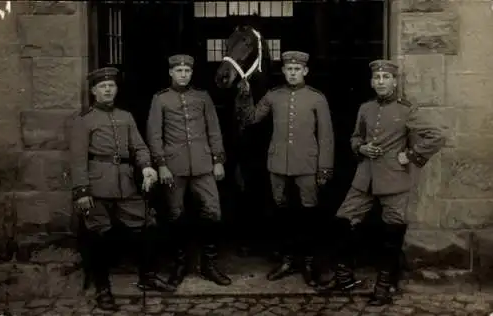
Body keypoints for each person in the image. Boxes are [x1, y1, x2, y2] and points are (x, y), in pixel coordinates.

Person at [318, 60, 446, 305]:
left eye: (386, 77)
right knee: (343, 221)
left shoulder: (406, 110)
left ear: (395, 81)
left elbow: (437, 136)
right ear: (371, 82)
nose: (381, 82)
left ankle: (384, 287)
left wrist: (409, 155)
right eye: (377, 78)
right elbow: (355, 137)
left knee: (392, 233)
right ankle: (344, 276)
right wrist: (362, 147)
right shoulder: (365, 109)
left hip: (394, 179)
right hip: (364, 178)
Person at [70, 67, 175, 311]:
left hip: (126, 185)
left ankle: (147, 276)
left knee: (148, 224)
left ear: (116, 89)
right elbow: (77, 159)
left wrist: (147, 167)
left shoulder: (126, 117)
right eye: (102, 87)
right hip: (96, 186)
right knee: (98, 235)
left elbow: (138, 147)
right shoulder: (84, 121)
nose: (108, 90)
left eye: (112, 86)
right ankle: (102, 288)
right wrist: (82, 191)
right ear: (94, 91)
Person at [236, 51, 335, 287]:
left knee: (308, 214)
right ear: (284, 71)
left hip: (307, 164)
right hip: (278, 164)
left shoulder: (316, 98)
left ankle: (309, 263)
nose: (292, 73)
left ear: (305, 71)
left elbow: (326, 137)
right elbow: (250, 118)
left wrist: (325, 167)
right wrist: (245, 96)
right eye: (288, 69)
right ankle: (288, 260)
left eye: (297, 69)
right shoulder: (274, 96)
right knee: (283, 213)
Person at [147, 54, 231, 288]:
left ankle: (209, 265)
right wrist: (161, 165)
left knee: (213, 212)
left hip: (204, 165)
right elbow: (154, 135)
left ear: (191, 73)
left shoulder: (202, 97)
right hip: (174, 167)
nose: (183, 75)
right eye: (178, 71)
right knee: (175, 214)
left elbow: (213, 129)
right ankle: (180, 264)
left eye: (187, 71)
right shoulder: (160, 99)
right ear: (171, 73)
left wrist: (217, 160)